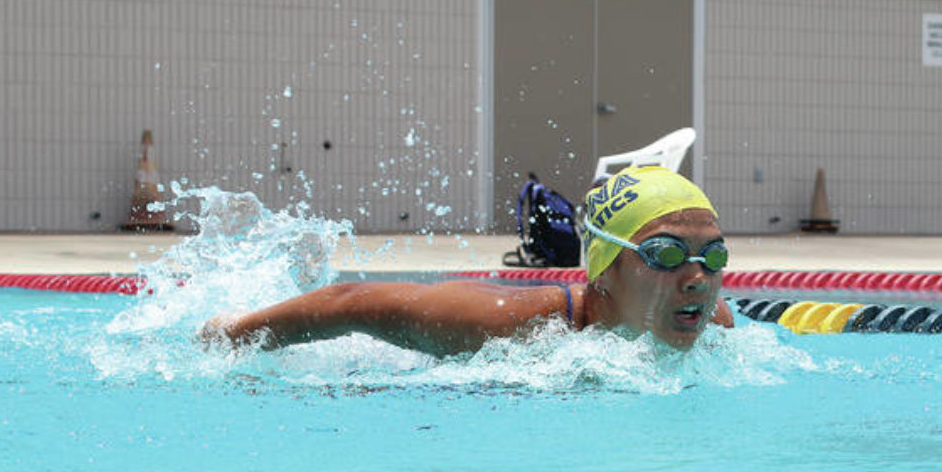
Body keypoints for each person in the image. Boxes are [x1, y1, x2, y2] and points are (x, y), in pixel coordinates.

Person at [200, 165, 734, 356]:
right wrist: (235, 332)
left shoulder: (714, 320)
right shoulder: (507, 325)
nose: (697, 279)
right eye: (665, 254)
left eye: (713, 256)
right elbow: (352, 302)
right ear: (603, 267)